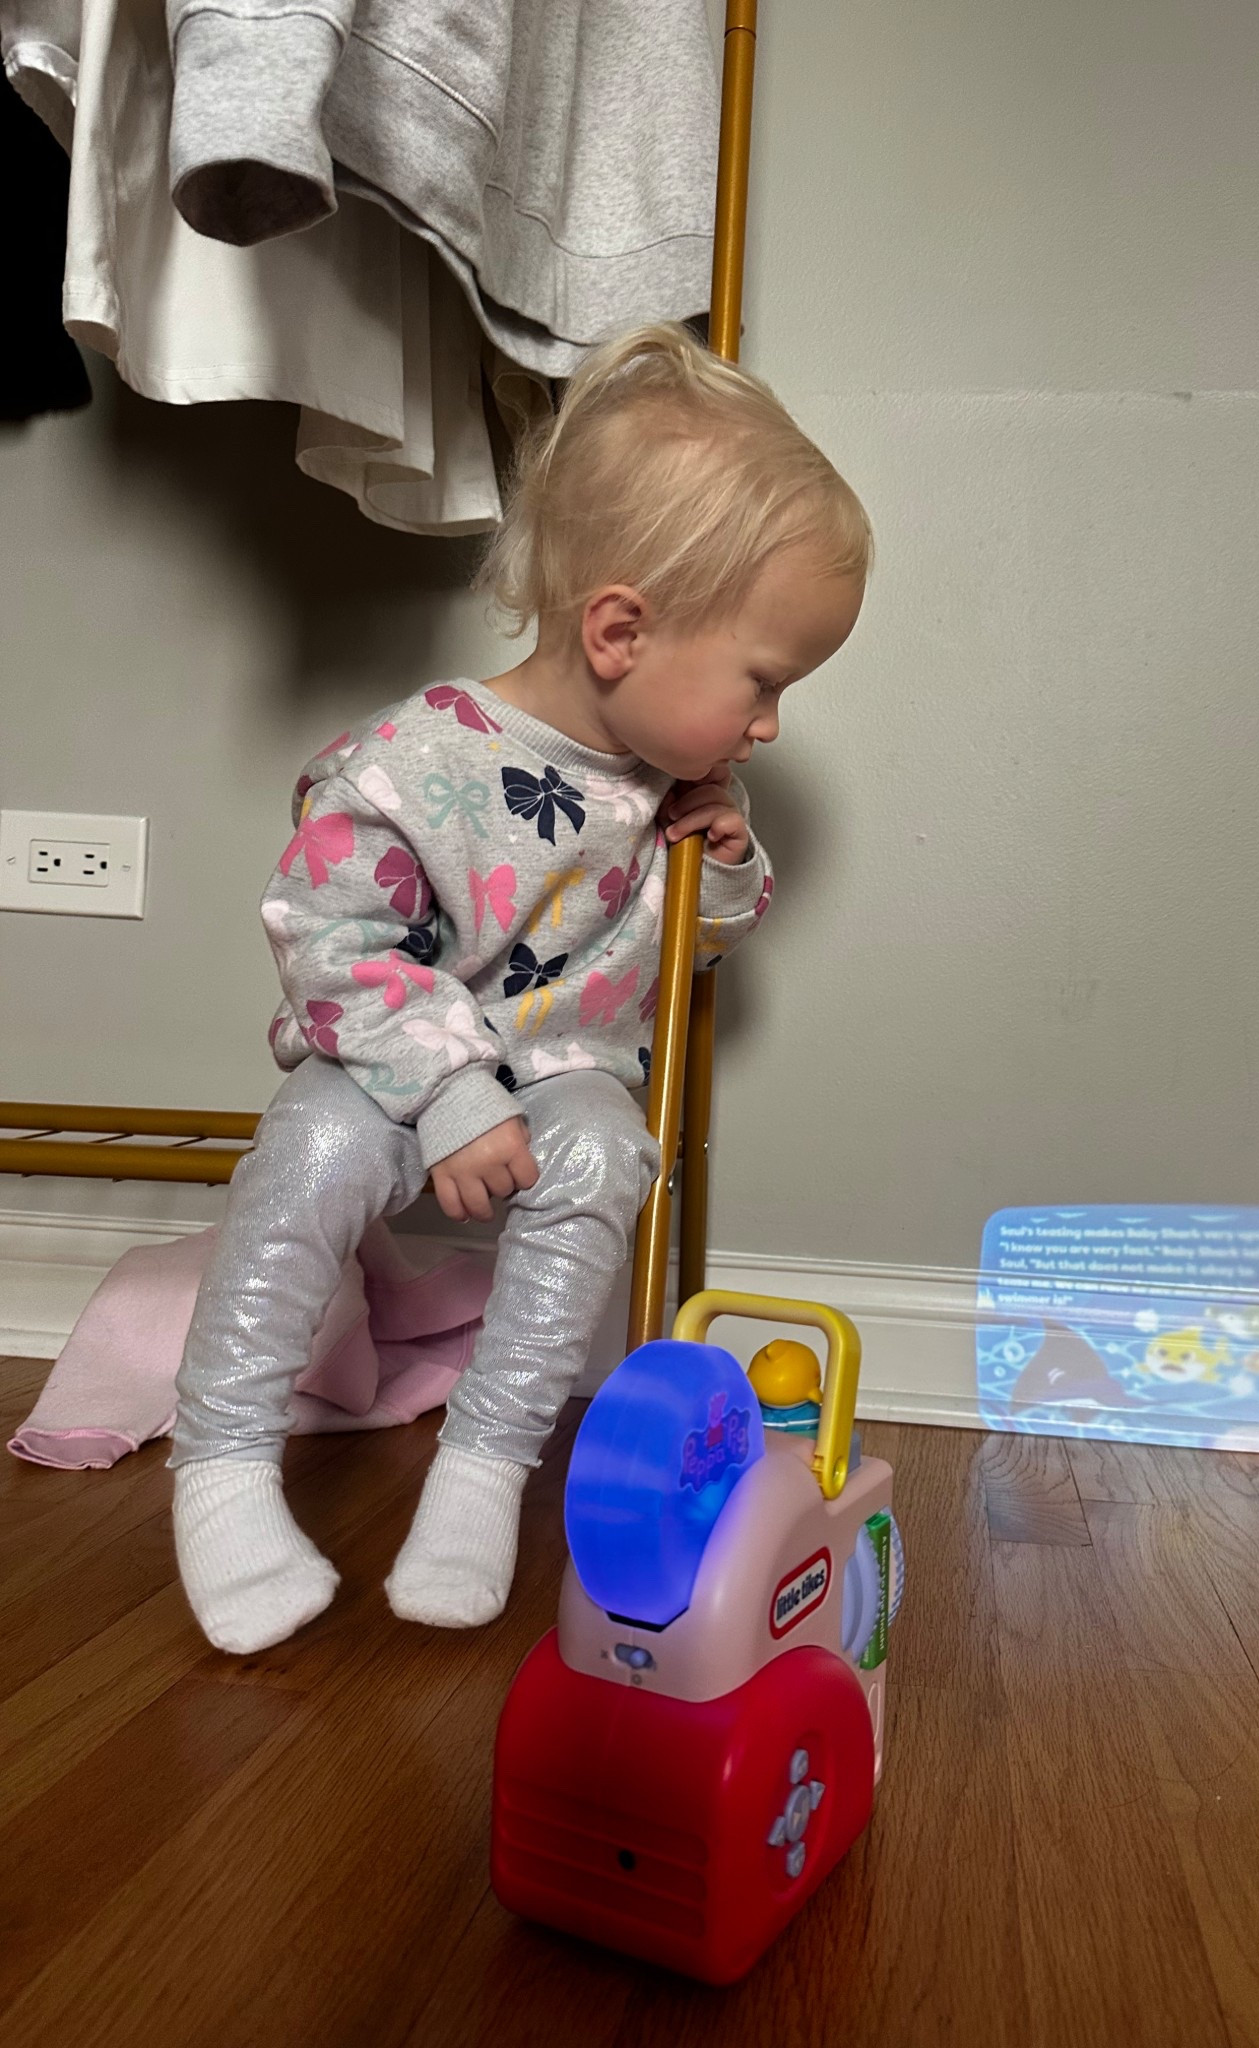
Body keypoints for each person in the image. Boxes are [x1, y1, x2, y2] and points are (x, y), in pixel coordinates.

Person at [169, 323, 871, 1654]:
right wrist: (447, 1095)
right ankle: (223, 1464)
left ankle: (485, 1466)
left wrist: (723, 866)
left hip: (559, 1078)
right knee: (310, 1149)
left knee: (609, 1152)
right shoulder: (413, 763)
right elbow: (327, 941)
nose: (769, 724)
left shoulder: (673, 791)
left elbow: (694, 950)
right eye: (764, 682)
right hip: (387, 1070)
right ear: (621, 630)